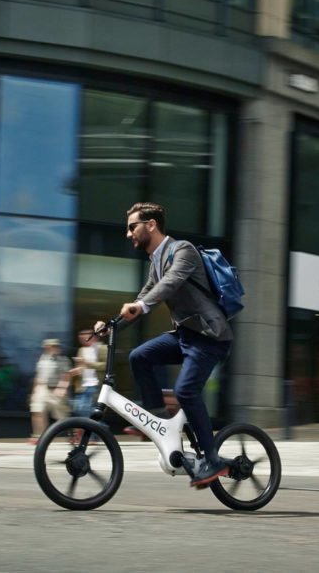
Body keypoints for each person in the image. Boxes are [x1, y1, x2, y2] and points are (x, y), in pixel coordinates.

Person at [96, 202, 233, 488]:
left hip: (209, 336)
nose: (128, 234)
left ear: (151, 225)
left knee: (185, 391)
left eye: (132, 227)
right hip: (185, 335)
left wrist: (141, 305)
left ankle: (213, 459)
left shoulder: (182, 250)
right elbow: (142, 297)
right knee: (139, 357)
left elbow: (168, 285)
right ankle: (157, 421)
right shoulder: (155, 261)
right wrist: (111, 326)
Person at [28, 338, 77, 445]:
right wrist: (34, 390)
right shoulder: (42, 359)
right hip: (43, 388)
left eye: (56, 346)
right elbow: (38, 376)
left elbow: (66, 376)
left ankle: (71, 435)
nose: (55, 348)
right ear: (47, 348)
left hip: (56, 389)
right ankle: (39, 436)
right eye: (52, 346)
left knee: (62, 416)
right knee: (37, 410)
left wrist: (62, 388)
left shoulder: (63, 360)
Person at [72, 328, 105, 418]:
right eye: (81, 339)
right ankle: (96, 427)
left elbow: (105, 366)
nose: (82, 340)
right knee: (79, 409)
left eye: (84, 338)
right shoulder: (81, 350)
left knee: (86, 409)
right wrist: (75, 371)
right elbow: (81, 367)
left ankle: (100, 428)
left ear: (92, 337)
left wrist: (88, 363)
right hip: (83, 386)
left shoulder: (102, 348)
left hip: (95, 385)